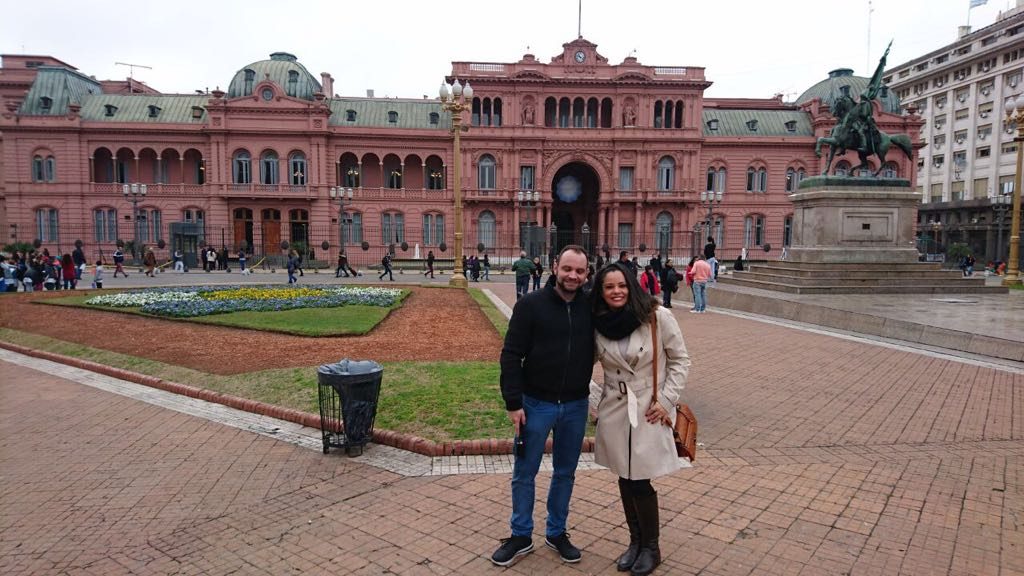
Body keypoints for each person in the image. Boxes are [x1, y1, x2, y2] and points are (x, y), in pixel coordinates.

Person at [492, 245, 593, 567]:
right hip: (535, 403)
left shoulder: (590, 306)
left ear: (586, 274)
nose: (572, 276)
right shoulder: (531, 305)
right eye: (567, 269)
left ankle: (557, 531)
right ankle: (521, 534)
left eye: (579, 271)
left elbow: (624, 314)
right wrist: (513, 401)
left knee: (565, 473)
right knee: (525, 473)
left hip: (576, 404)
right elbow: (511, 354)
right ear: (554, 267)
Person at [589, 262, 690, 576]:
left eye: (621, 285)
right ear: (601, 292)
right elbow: (579, 360)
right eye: (609, 287)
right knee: (624, 474)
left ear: (632, 286)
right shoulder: (598, 322)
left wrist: (667, 400)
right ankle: (635, 541)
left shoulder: (657, 316)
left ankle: (651, 547)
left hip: (649, 406)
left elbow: (680, 360)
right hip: (615, 407)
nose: (616, 292)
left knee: (640, 477)